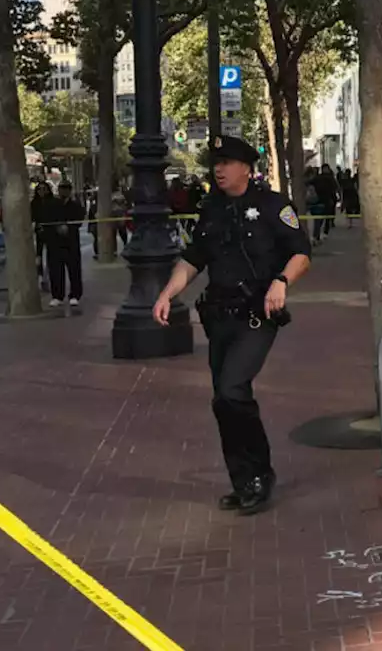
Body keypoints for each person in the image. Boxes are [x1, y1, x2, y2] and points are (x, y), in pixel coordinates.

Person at [152, 135, 311, 515]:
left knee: (233, 389)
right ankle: (243, 481)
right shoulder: (211, 209)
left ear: (246, 167)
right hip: (219, 318)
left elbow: (301, 253)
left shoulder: (273, 206)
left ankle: (261, 474)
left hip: (258, 315)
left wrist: (282, 282)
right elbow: (193, 259)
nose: (218, 169)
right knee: (223, 402)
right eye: (215, 163)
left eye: (226, 162)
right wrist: (167, 294)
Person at [38, 181, 86, 306]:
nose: (64, 191)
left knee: (74, 269)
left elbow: (79, 220)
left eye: (67, 189)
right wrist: (57, 228)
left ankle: (75, 294)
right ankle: (57, 296)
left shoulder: (75, 205)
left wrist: (68, 228)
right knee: (55, 270)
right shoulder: (51, 204)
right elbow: (45, 220)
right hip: (55, 243)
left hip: (71, 242)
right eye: (62, 188)